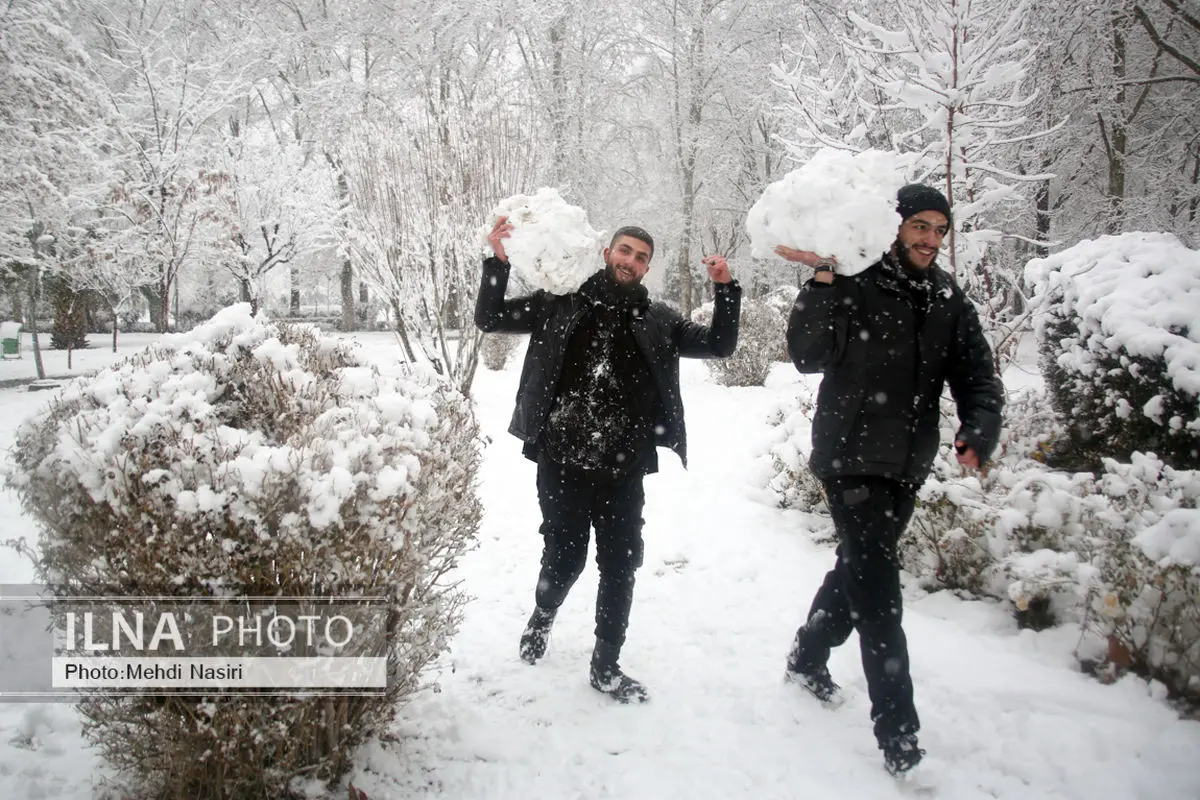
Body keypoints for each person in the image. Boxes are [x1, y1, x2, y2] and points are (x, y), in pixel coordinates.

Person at [774, 183, 1003, 774]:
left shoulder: (948, 298)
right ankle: (899, 738)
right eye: (919, 226)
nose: (929, 239)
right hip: (850, 455)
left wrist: (978, 429)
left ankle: (807, 656)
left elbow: (977, 375)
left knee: (858, 565)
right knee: (879, 591)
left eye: (938, 229)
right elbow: (806, 353)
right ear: (895, 227)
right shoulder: (856, 279)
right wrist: (823, 280)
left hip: (907, 461)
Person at [475, 219, 741, 703]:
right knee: (565, 559)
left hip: (624, 468)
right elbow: (490, 319)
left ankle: (606, 664)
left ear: (647, 267)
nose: (631, 261)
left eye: (641, 257)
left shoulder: (657, 319)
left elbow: (720, 345)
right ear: (606, 252)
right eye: (625, 250)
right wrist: (498, 261)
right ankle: (544, 612)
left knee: (621, 565)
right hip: (562, 459)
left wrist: (726, 290)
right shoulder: (560, 302)